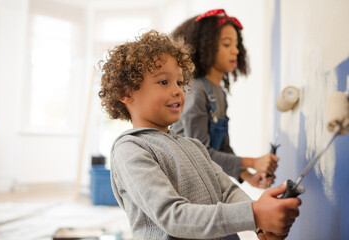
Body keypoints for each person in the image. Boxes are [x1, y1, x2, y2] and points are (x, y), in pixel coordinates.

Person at [99, 29, 301, 240]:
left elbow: (228, 192)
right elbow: (173, 216)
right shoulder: (130, 150)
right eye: (163, 82)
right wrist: (254, 214)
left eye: (179, 82)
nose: (178, 90)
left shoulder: (194, 146)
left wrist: (259, 222)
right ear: (126, 93)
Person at [170, 9, 278, 188]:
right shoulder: (196, 91)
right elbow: (201, 154)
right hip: (186, 184)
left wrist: (248, 176)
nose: (235, 51)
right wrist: (252, 162)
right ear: (205, 47)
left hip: (206, 180)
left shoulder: (218, 93)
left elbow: (222, 148)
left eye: (237, 45)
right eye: (227, 44)